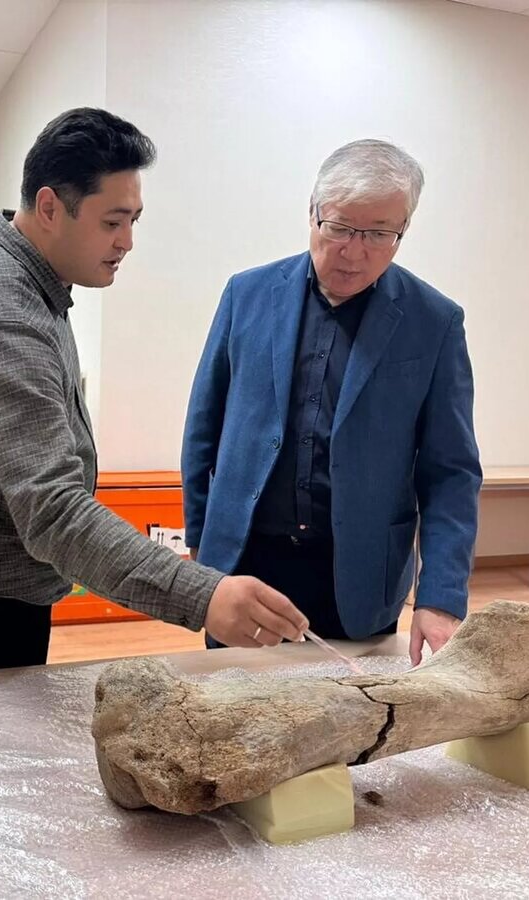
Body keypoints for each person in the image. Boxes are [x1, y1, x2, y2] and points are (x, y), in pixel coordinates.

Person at [0, 108, 309, 676]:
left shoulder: (5, 257)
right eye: (113, 222)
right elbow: (54, 512)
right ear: (49, 208)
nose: (128, 242)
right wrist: (203, 596)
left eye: (134, 220)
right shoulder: (0, 316)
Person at [182, 139, 482, 666]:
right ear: (313, 213)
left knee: (350, 709)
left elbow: (451, 473)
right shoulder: (246, 294)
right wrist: (202, 542)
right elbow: (204, 426)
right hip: (246, 561)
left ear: (403, 230)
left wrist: (439, 597)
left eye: (379, 234)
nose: (354, 251)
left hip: (359, 574)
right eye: (340, 228)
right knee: (233, 702)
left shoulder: (434, 321)